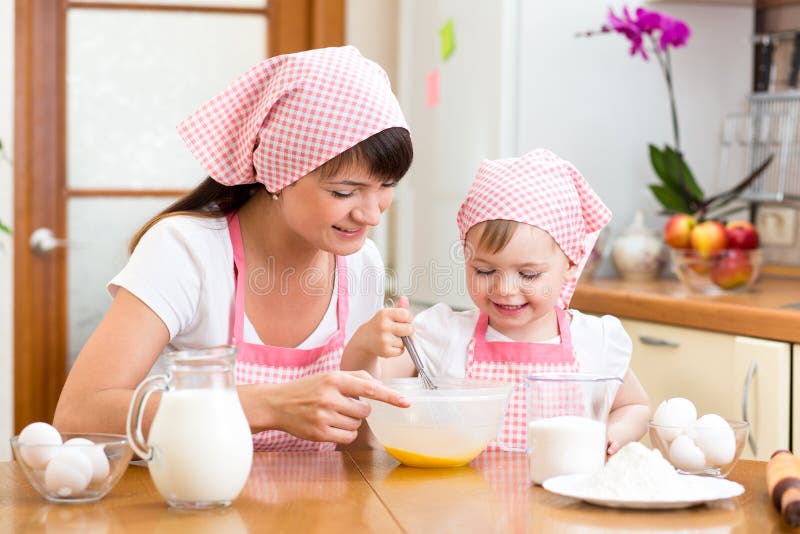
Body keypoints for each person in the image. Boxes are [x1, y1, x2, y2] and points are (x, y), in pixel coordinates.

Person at [54, 46, 416, 451]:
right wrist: (267, 405)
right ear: (280, 175)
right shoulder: (186, 250)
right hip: (189, 505)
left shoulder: (360, 261)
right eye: (344, 191)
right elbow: (79, 417)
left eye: (387, 187)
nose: (371, 215)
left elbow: (355, 438)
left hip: (318, 511)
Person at [381, 149, 650, 455]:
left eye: (528, 274)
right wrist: (376, 342)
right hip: (464, 500)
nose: (505, 289)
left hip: (561, 498)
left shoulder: (596, 341)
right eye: (484, 270)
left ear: (572, 264)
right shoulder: (443, 333)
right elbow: (374, 383)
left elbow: (635, 406)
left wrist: (613, 433)